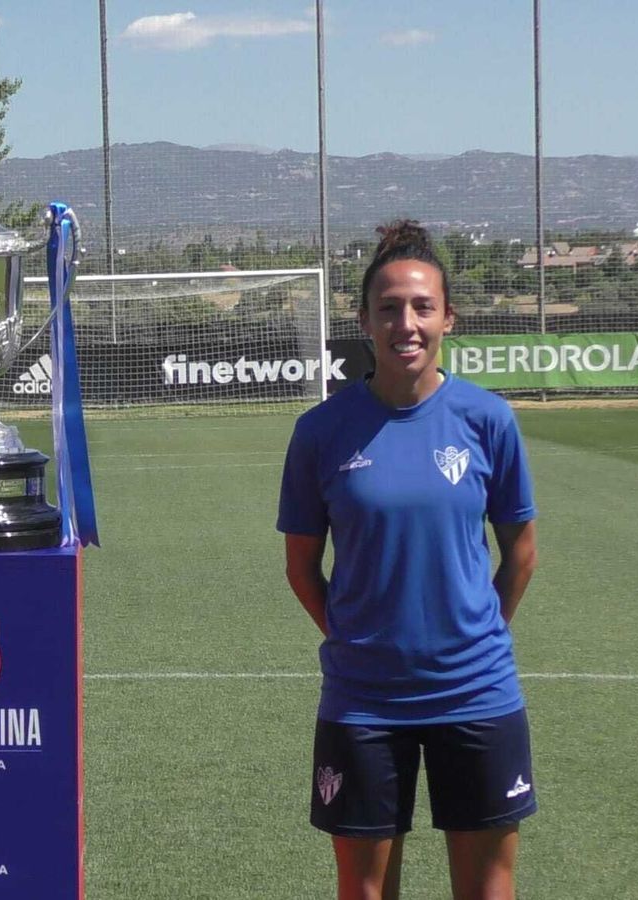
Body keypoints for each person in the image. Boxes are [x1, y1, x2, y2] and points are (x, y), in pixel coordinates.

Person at [277, 221, 539, 900]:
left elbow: (521, 551)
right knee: (364, 891)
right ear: (363, 319)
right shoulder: (320, 433)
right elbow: (302, 568)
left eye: (423, 307)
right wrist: (352, 635)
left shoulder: (489, 420)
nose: (407, 323)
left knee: (486, 887)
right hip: (363, 697)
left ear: (449, 317)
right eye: (389, 307)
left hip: (476, 689)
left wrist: (479, 630)